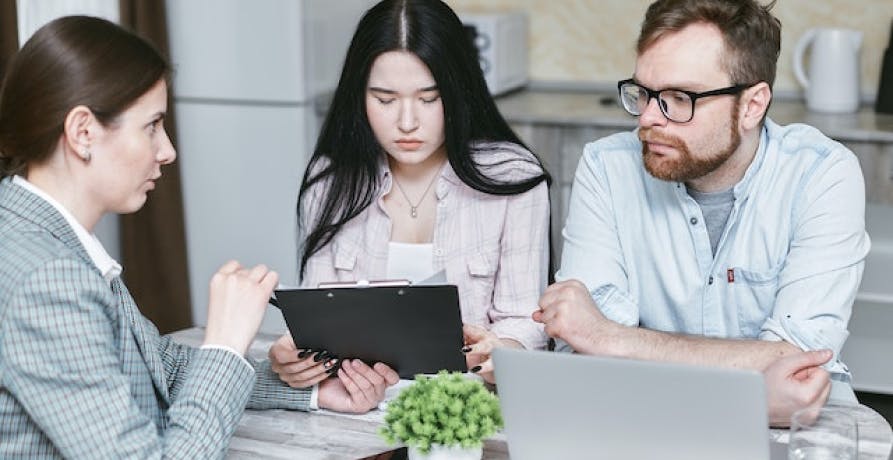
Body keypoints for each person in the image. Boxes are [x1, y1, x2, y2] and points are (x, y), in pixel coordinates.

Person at [0, 16, 395, 457]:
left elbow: (160, 368)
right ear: (83, 132)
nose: (167, 150)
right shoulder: (48, 281)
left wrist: (310, 392)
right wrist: (226, 343)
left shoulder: (35, 233)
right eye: (151, 126)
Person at [534, 0, 868, 425]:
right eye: (644, 93)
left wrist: (610, 337)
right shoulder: (606, 168)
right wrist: (748, 383)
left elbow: (799, 360)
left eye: (679, 98)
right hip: (641, 419)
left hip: (798, 429)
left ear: (752, 105)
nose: (649, 120)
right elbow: (585, 352)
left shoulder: (821, 173)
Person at [268, 0, 551, 399]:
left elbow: (527, 321)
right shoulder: (330, 180)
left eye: (429, 98)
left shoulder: (513, 177)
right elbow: (319, 321)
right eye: (385, 100)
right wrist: (295, 357)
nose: (406, 122)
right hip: (356, 414)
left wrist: (504, 349)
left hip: (468, 415)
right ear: (358, 97)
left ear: (458, 92)